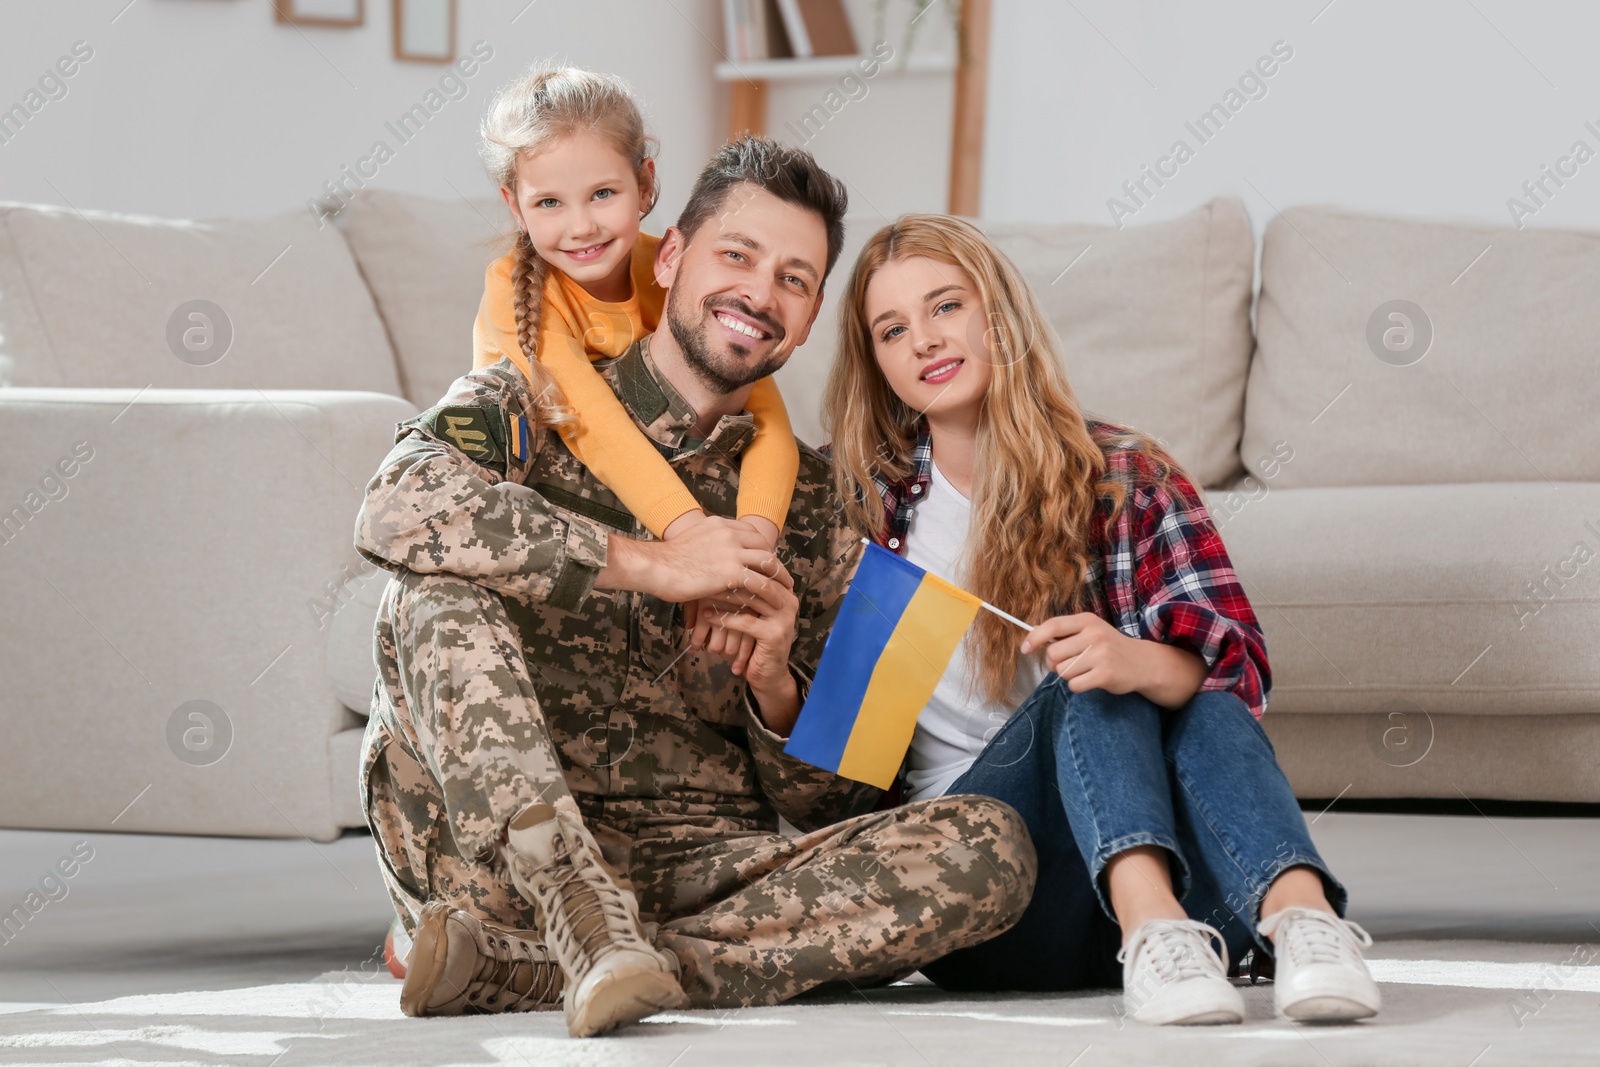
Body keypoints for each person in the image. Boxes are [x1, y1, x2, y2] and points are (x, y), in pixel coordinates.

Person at [353, 141, 1036, 1039]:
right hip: (500, 859)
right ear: (670, 256)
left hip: (700, 860)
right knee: (432, 588)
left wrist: (777, 685)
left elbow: (853, 793)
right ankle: (573, 918)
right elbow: (392, 508)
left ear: (811, 316)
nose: (761, 292)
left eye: (794, 279)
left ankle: (543, 970)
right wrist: (653, 562)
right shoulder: (530, 396)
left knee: (989, 848)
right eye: (738, 256)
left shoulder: (826, 505)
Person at [821, 214, 1381, 1026]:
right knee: (1083, 691)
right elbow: (849, 753)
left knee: (1175, 694)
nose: (923, 341)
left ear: (997, 313)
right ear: (876, 363)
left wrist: (1134, 658)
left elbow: (1237, 667)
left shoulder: (1124, 472)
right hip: (983, 904)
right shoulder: (869, 513)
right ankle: (1149, 923)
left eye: (946, 306)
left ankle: (1304, 920)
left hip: (1188, 907)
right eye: (892, 329)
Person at [471, 66, 797, 677]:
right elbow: (594, 423)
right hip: (558, 515)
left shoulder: (670, 270)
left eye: (602, 193)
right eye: (549, 203)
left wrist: (748, 546)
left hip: (653, 513)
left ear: (645, 183)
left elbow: (767, 412)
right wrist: (693, 538)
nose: (581, 226)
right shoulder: (515, 294)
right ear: (515, 206)